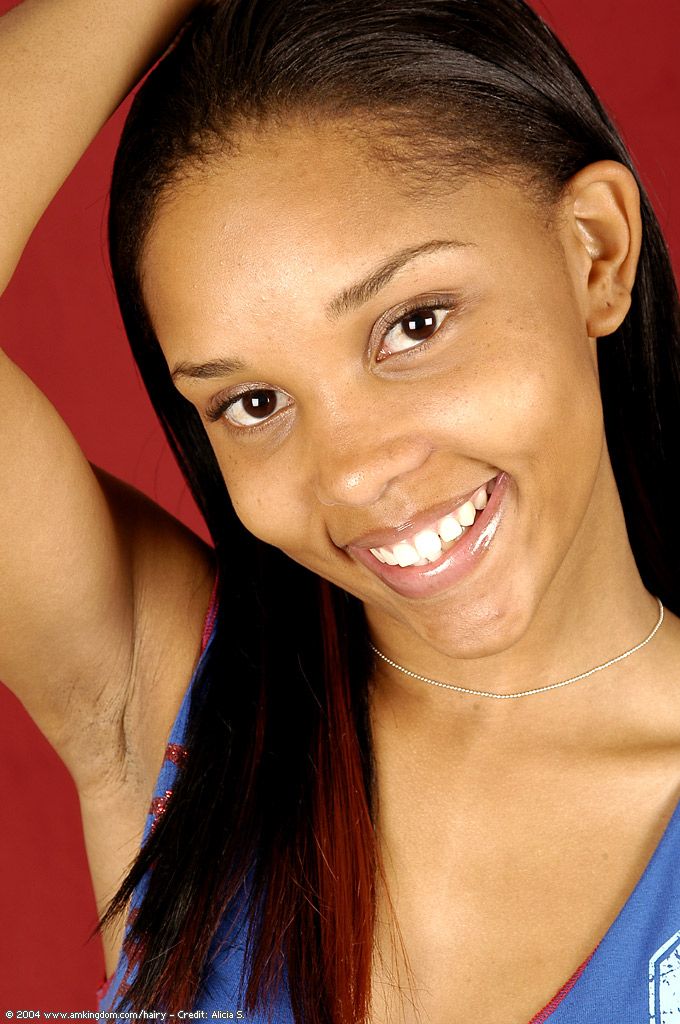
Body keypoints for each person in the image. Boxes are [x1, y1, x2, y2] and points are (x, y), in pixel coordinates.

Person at [1, 0, 679, 1021]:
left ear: (595, 251)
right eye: (253, 403)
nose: (355, 475)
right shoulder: (182, 715)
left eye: (414, 324)